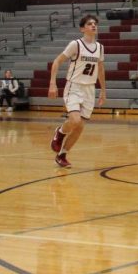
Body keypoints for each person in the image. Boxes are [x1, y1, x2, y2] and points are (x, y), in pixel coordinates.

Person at [47, 14, 107, 168]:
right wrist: (53, 83)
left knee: (80, 127)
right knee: (75, 120)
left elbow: (100, 69)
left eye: (95, 23)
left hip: (89, 89)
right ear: (82, 28)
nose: (93, 25)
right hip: (74, 86)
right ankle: (60, 132)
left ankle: (62, 155)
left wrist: (103, 90)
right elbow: (57, 61)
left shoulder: (100, 47)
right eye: (89, 23)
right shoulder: (76, 44)